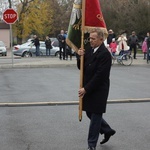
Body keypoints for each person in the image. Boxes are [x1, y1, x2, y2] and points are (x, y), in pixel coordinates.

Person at [77, 28, 116, 150]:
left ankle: (91, 145)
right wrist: (80, 57)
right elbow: (81, 68)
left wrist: (86, 89)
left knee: (95, 116)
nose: (90, 41)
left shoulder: (105, 54)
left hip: (99, 89)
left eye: (93, 39)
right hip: (89, 87)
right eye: (90, 38)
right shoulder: (89, 50)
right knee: (89, 112)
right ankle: (107, 130)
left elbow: (100, 76)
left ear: (101, 39)